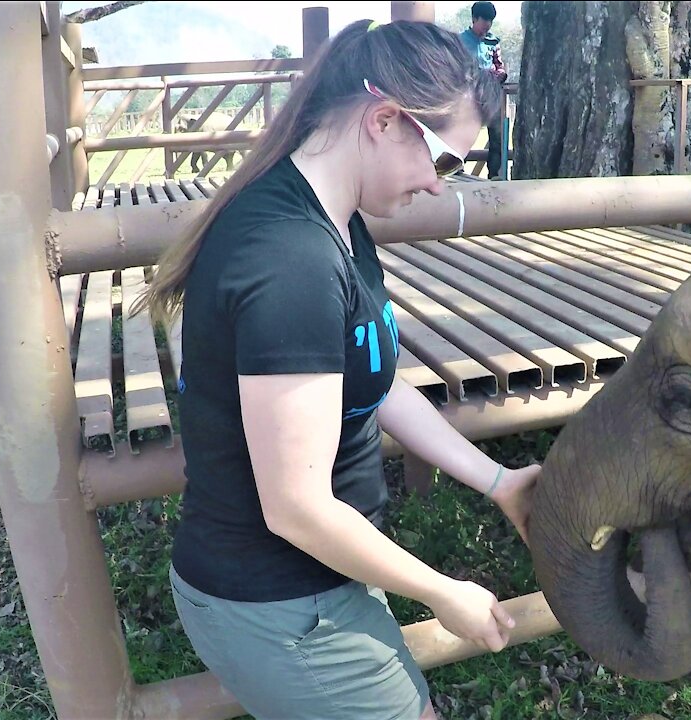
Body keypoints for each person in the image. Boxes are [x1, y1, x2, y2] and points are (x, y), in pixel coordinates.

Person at [131, 19, 538, 720]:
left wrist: (498, 481)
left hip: (323, 578)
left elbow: (374, 385)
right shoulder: (291, 259)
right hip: (280, 600)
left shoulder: (336, 221)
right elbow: (296, 507)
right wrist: (442, 591)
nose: (441, 188)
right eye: (444, 161)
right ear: (386, 120)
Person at [459, 1, 508, 179]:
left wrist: (495, 75)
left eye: (490, 22)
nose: (487, 26)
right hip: (468, 97)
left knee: (498, 135)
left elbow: (500, 68)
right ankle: (457, 170)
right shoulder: (460, 41)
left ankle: (496, 174)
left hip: (491, 96)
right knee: (463, 132)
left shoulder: (493, 42)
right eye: (484, 21)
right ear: (474, 19)